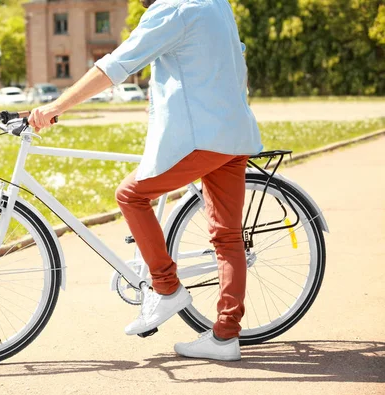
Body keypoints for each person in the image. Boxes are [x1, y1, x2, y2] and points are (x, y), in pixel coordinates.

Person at [28, 0, 262, 361]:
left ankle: (167, 289)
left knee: (131, 195)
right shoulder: (217, 4)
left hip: (201, 139)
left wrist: (56, 106)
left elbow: (114, 66)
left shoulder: (172, 10)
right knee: (228, 237)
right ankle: (226, 337)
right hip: (235, 134)